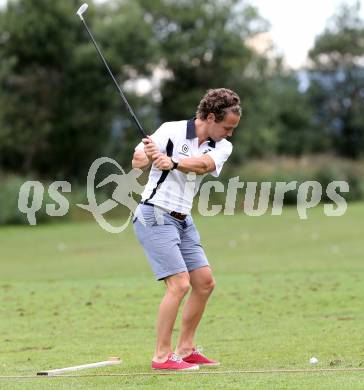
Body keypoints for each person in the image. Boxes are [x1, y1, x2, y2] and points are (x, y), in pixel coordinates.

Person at [132, 88, 241, 371]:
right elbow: (137, 161)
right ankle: (162, 356)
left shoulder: (221, 146)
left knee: (204, 283)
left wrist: (173, 161)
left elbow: (204, 165)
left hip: (183, 220)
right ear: (209, 117)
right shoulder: (171, 130)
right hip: (155, 214)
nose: (229, 134)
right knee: (179, 284)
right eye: (227, 127)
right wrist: (148, 154)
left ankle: (186, 349)